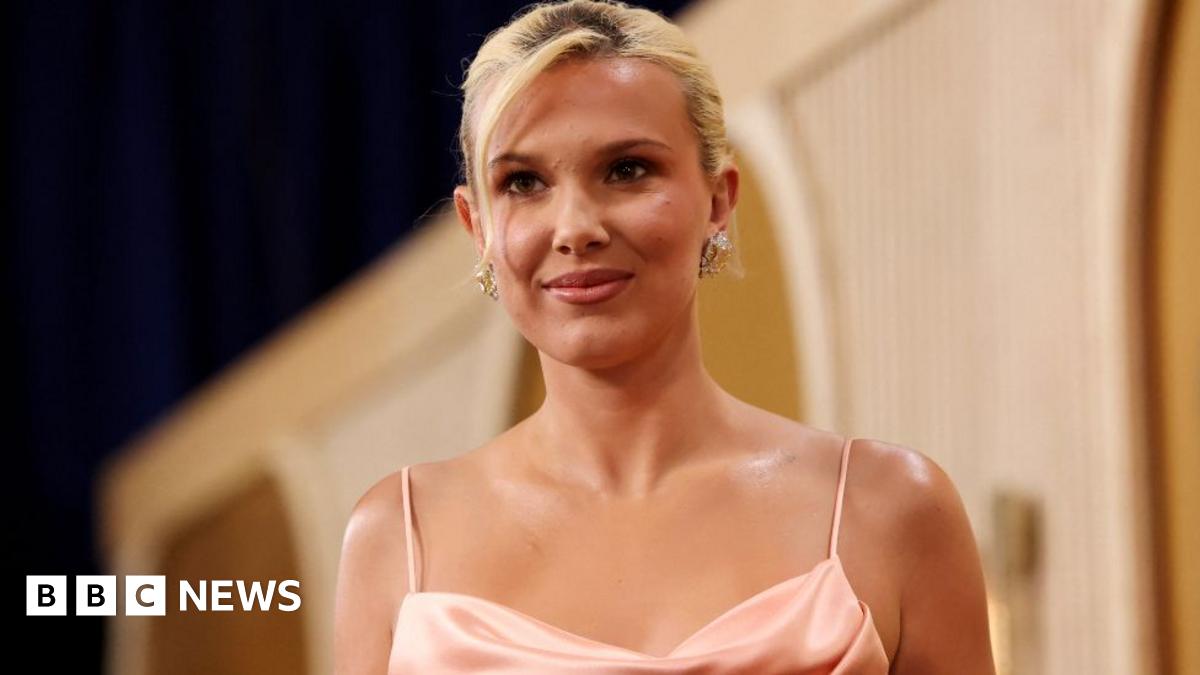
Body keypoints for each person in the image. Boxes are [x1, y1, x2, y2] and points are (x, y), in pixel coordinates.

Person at [334, 1, 995, 673]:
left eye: (626, 169)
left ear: (718, 200)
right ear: (477, 228)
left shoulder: (890, 509)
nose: (575, 227)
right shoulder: (396, 536)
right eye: (523, 182)